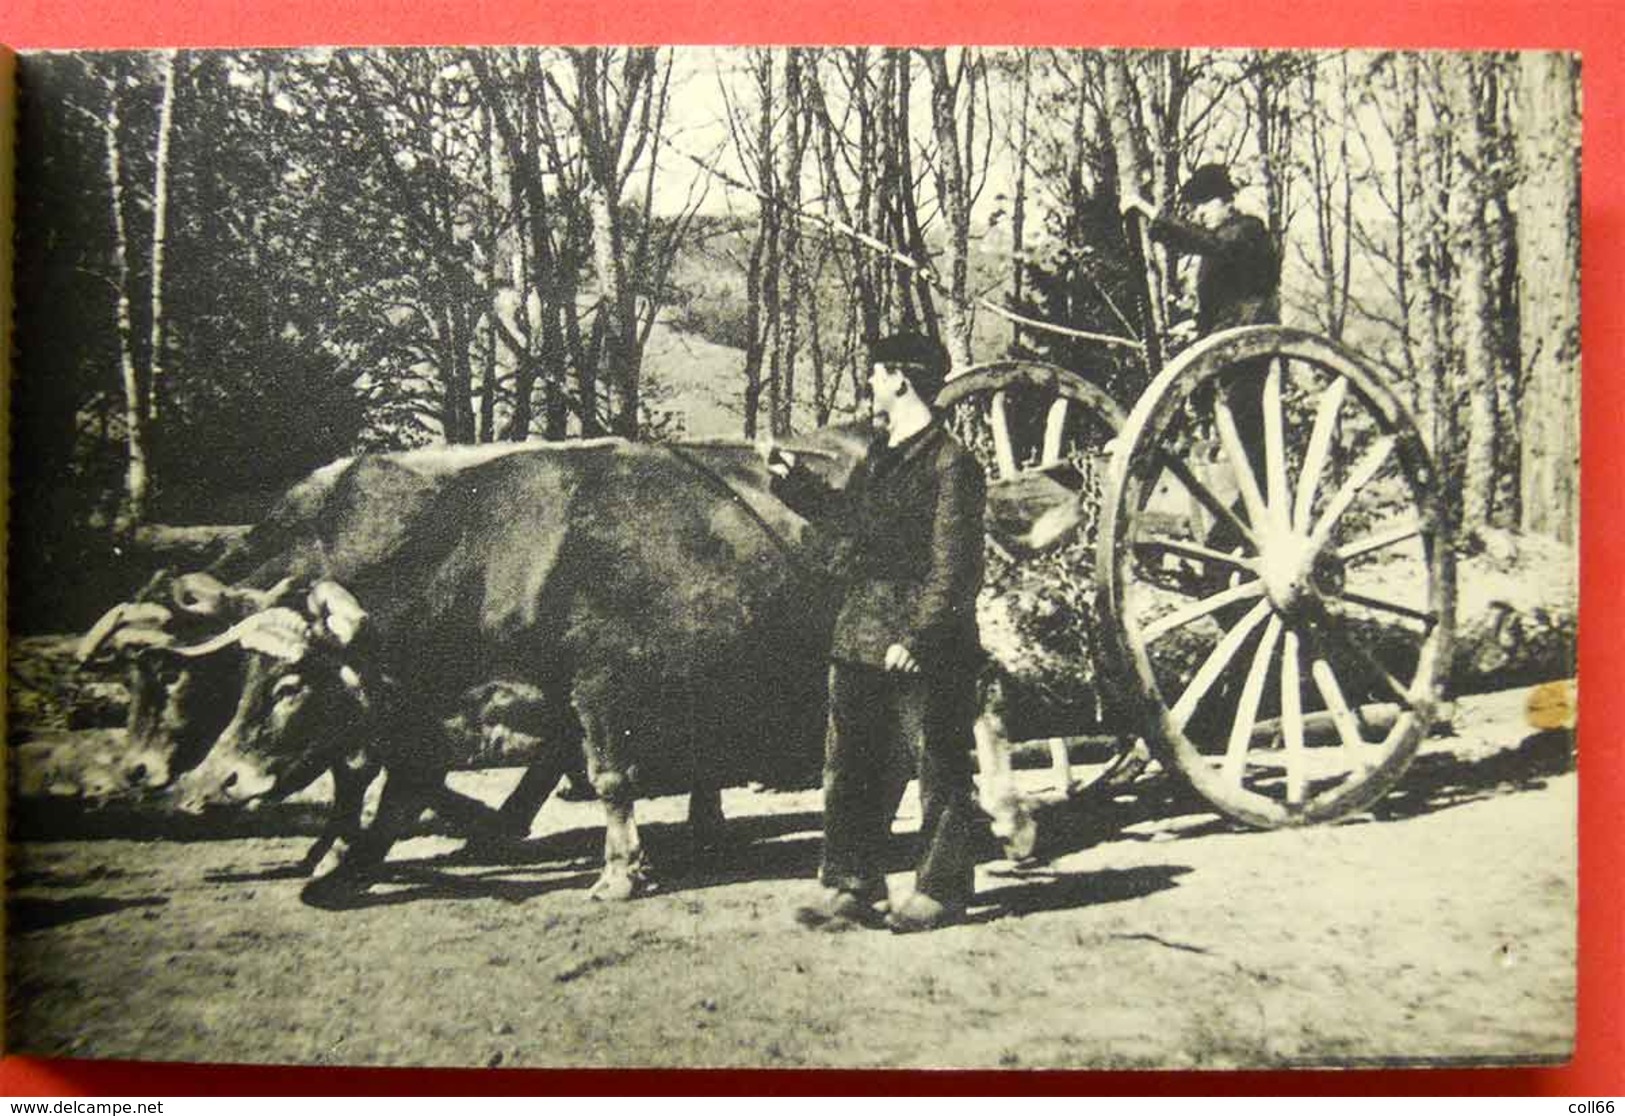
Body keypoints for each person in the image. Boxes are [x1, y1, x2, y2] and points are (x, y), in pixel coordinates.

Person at [764, 332, 987, 934]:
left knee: (939, 764)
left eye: (874, 373)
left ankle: (941, 890)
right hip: (861, 630)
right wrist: (792, 484)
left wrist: (919, 638)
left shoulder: (952, 464)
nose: (869, 384)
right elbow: (849, 524)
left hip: (923, 642)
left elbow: (956, 566)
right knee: (850, 764)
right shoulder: (881, 458)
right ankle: (852, 883)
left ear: (899, 379)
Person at [1121, 162, 1280, 339]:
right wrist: (1197, 328)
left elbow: (1212, 243)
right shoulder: (1216, 247)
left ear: (1228, 201)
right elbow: (1219, 303)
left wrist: (1146, 209)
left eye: (1206, 203)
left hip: (1251, 331)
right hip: (1228, 333)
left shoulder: (1248, 229)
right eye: (1196, 207)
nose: (1200, 213)